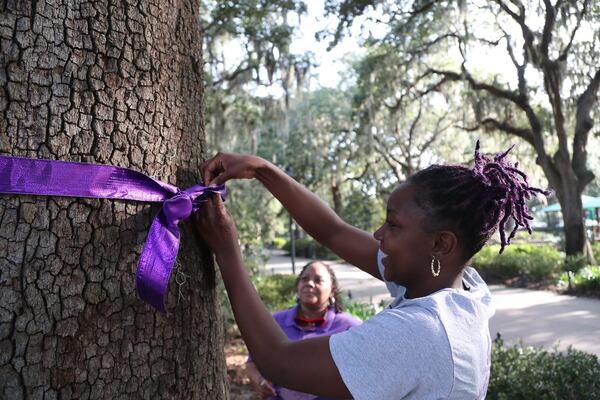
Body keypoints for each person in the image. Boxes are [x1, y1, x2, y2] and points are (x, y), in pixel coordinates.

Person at [196, 141, 548, 399]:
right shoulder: (455, 288)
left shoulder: (420, 332)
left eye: (393, 225)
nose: (379, 235)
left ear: (440, 244)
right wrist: (262, 170)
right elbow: (334, 231)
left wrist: (227, 251)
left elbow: (277, 361)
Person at [245, 261, 362, 399]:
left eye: (318, 280)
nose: (310, 284)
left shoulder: (349, 327)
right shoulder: (275, 321)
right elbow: (252, 363)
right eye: (304, 279)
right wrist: (260, 381)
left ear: (332, 290)